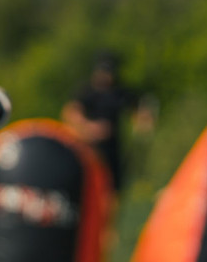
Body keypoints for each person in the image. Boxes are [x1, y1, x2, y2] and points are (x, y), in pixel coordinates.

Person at [61, 51, 154, 192]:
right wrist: (91, 128)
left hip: (113, 151)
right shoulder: (87, 91)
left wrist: (143, 123)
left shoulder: (119, 92)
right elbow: (70, 113)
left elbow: (139, 109)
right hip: (90, 149)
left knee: (113, 190)